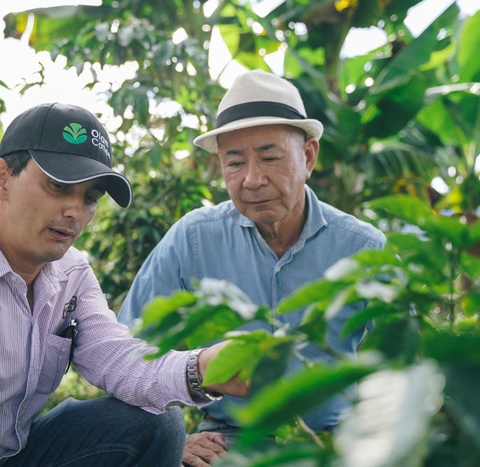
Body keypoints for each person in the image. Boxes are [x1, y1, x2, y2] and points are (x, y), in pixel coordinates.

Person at [0, 102, 247, 467]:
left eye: (90, 197)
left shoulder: (71, 275)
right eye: (58, 186)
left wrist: (202, 369)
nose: (75, 211)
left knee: (157, 423)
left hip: (7, 457)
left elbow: (118, 358)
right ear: (1, 178)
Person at [118, 70, 386, 467]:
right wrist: (172, 441)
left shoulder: (364, 249)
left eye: (270, 157)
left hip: (334, 447)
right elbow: (126, 352)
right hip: (226, 447)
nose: (252, 179)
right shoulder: (193, 239)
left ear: (308, 156)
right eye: (235, 162)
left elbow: (403, 368)